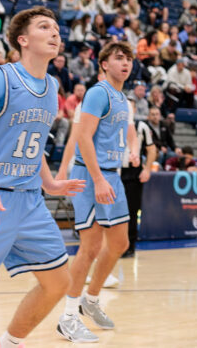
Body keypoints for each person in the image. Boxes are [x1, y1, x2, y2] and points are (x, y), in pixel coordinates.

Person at [0, 7, 85, 348]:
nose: (55, 33)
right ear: (23, 39)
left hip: (30, 202)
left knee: (59, 282)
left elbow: (31, 141)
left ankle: (7, 344)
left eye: (58, 28)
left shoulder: (51, 86)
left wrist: (49, 182)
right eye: (45, 27)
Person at [55, 40, 136, 341]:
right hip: (91, 176)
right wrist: (99, 179)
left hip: (112, 175)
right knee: (90, 247)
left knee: (119, 243)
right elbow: (83, 138)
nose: (125, 63)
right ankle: (67, 318)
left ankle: (90, 300)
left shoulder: (122, 98)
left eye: (128, 58)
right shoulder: (97, 93)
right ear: (103, 64)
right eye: (118, 58)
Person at [120, 94, 155, 259]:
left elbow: (152, 149)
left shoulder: (142, 126)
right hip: (114, 170)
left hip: (133, 173)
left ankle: (129, 246)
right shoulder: (114, 123)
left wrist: (147, 169)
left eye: (131, 106)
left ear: (134, 109)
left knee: (132, 211)